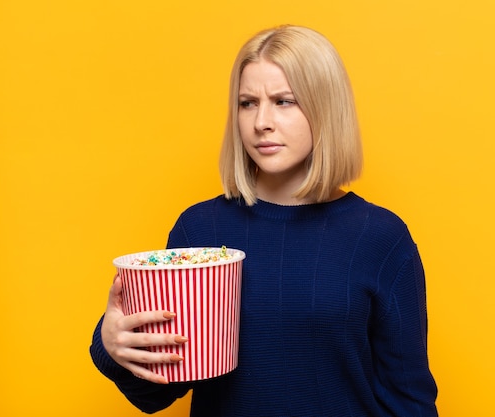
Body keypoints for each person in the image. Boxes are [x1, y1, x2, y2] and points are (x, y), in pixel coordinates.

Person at [90, 24, 438, 416]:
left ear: (326, 107)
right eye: (247, 103)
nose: (261, 123)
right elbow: (156, 394)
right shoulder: (200, 231)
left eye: (284, 101)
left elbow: (409, 401)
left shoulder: (381, 239)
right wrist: (111, 345)